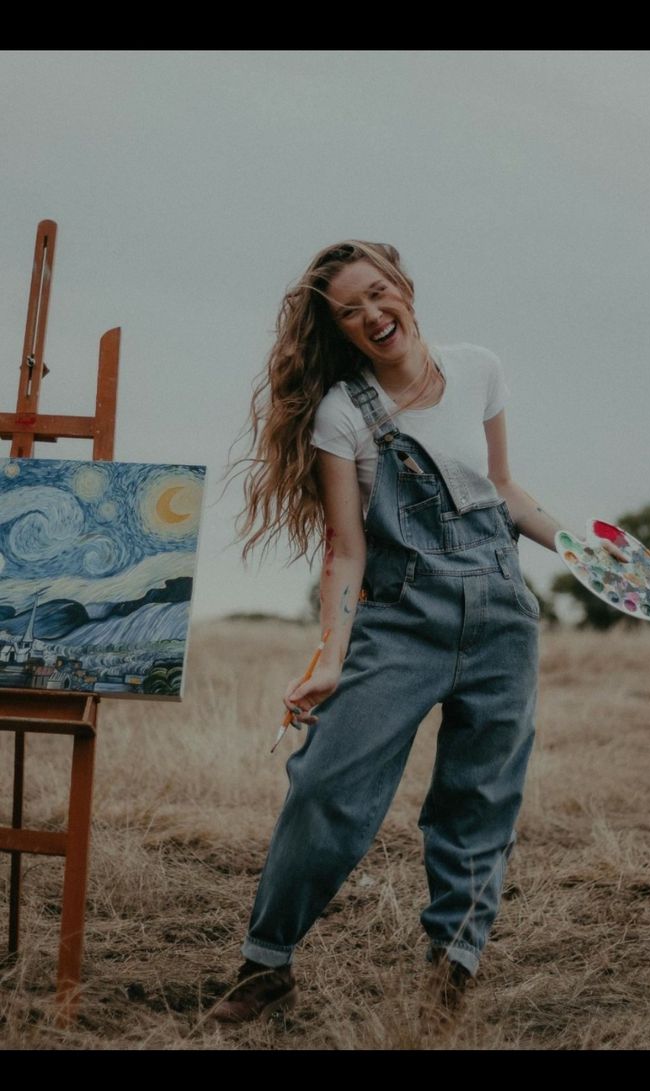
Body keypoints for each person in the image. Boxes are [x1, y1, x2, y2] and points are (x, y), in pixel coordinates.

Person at [213, 240, 622, 1025]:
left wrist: (577, 548)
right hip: (402, 618)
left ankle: (451, 968)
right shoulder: (344, 413)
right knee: (328, 785)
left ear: (403, 285)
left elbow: (500, 489)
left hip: (502, 615)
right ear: (339, 328)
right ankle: (267, 964)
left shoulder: (479, 370)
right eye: (350, 310)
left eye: (378, 293)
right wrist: (331, 656)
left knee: (479, 799)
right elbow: (346, 546)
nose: (372, 314)